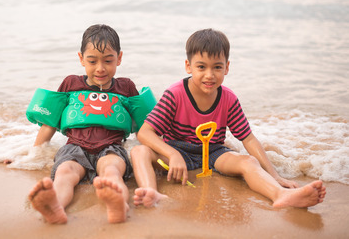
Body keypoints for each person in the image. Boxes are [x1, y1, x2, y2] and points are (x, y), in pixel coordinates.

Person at [130, 28, 326, 209]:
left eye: (217, 67)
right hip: (177, 149)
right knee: (140, 151)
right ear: (188, 66)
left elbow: (247, 138)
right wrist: (172, 154)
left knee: (248, 162)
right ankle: (151, 192)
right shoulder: (175, 94)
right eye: (201, 67)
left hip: (214, 152)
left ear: (227, 67)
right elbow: (145, 132)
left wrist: (275, 175)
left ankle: (280, 194)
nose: (209, 75)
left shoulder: (228, 98)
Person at [28, 24, 139, 224]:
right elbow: (50, 124)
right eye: (92, 60)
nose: (100, 68)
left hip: (111, 147)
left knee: (112, 172)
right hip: (74, 147)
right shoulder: (70, 84)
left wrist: (155, 154)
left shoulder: (126, 87)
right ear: (81, 59)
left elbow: (144, 126)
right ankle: (55, 207)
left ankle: (118, 204)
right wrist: (32, 156)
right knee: (64, 173)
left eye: (108, 60)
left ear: (119, 58)